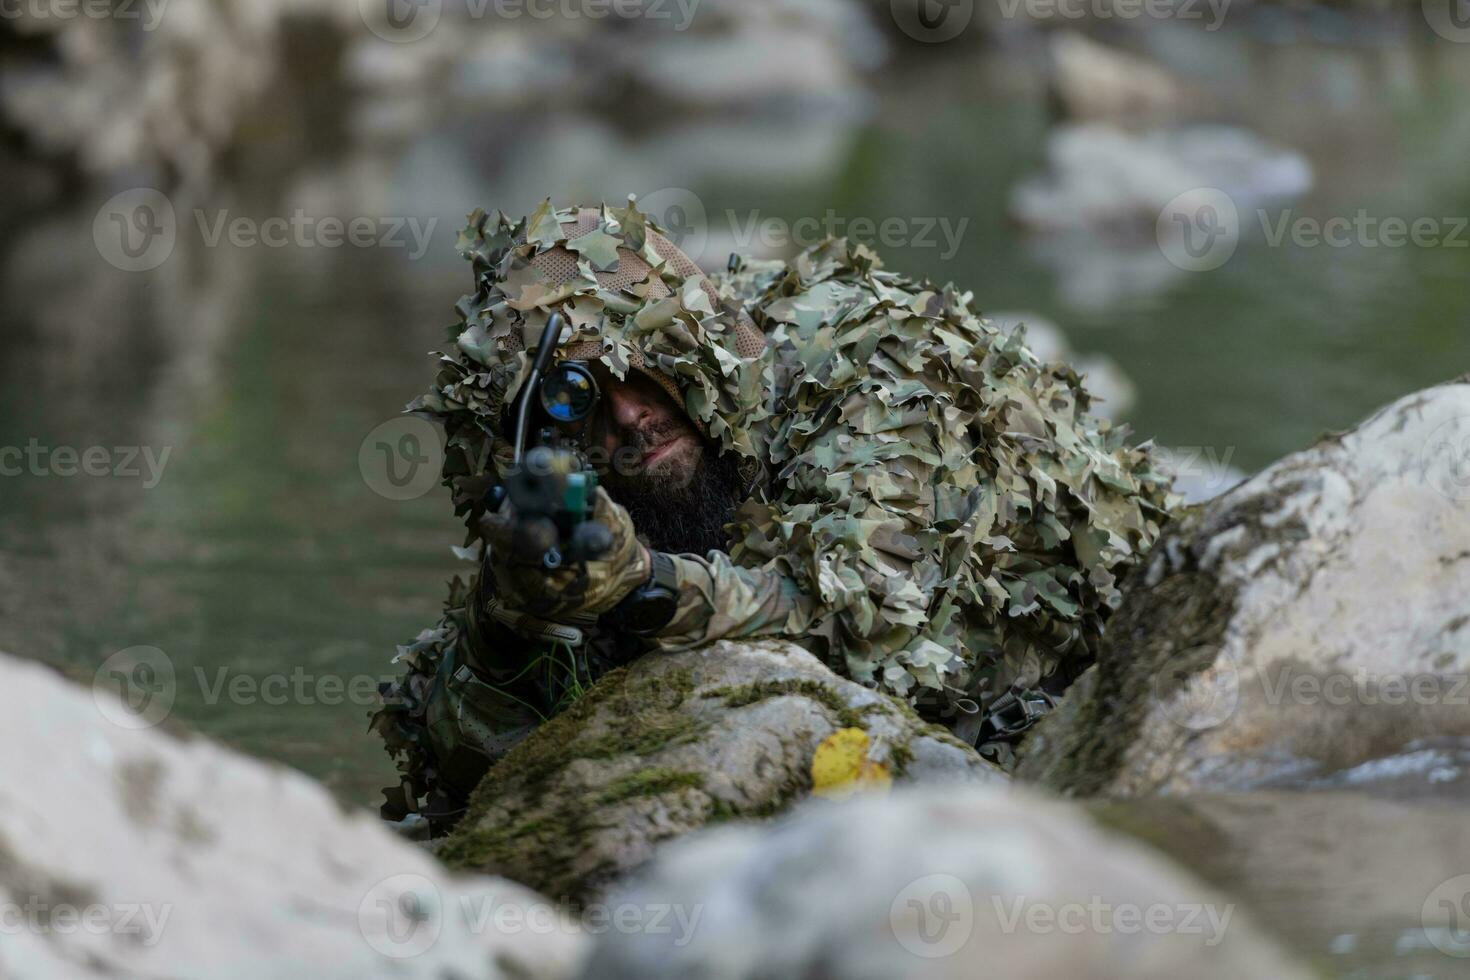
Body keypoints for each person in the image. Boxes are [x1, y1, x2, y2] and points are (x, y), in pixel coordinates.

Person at [372, 199, 1173, 832]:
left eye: (641, 370)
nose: (626, 417)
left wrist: (638, 586)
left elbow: (860, 619)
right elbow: (457, 771)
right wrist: (515, 612)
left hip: (1075, 716)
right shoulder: (575, 490)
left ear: (692, 344)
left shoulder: (874, 363)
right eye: (579, 399)